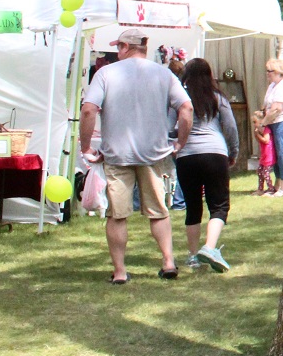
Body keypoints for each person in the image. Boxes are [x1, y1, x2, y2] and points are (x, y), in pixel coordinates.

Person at [79, 27, 192, 283]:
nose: (116, 52)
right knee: (159, 211)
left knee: (117, 215)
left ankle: (120, 271)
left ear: (125, 47)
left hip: (117, 154)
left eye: (118, 47)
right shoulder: (163, 74)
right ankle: (168, 261)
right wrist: (180, 142)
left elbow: (88, 110)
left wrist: (86, 147)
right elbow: (186, 108)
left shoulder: (106, 73)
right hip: (154, 154)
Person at [174, 58, 238, 273]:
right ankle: (209, 248)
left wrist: (174, 146)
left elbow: (171, 127)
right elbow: (230, 127)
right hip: (214, 153)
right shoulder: (218, 97)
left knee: (192, 206)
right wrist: (233, 152)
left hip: (186, 156)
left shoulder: (181, 98)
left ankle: (193, 255)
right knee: (219, 205)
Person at [260, 59, 283, 197]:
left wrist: (263, 123)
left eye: (270, 71)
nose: (267, 74)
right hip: (272, 123)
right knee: (274, 154)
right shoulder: (273, 85)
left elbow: (276, 109)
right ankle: (277, 185)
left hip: (282, 123)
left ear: (278, 72)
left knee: (282, 154)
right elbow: (267, 106)